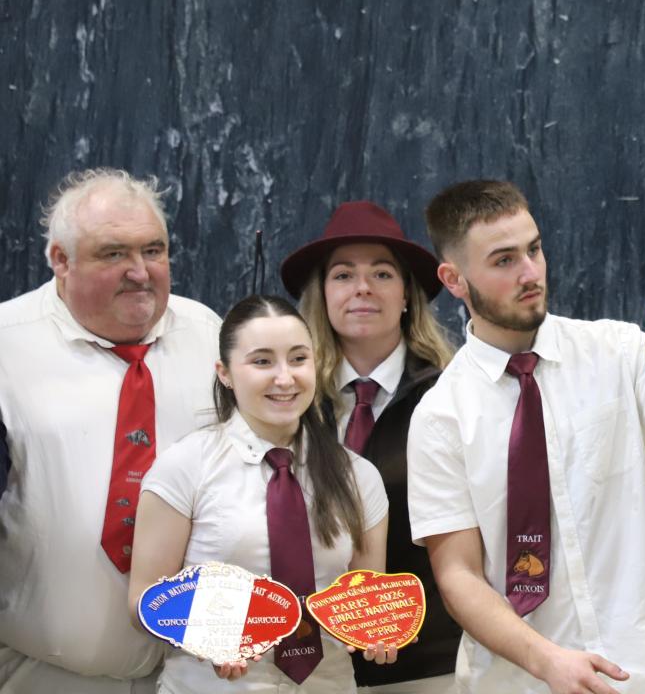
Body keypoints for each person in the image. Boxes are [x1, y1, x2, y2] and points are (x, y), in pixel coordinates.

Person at [408, 180, 645, 694]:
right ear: (454, 279)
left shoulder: (615, 350)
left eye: (534, 249)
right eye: (504, 261)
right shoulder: (440, 416)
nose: (530, 273)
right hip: (518, 683)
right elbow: (458, 576)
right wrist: (548, 662)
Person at [0, 168, 221, 693]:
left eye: (153, 250)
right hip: (43, 674)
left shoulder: (211, 337)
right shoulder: (6, 346)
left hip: (193, 674)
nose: (140, 272)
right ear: (60, 259)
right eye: (113, 253)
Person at [128, 295, 397, 692]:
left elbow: (367, 595)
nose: (285, 378)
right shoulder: (184, 467)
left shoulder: (358, 477)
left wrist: (378, 633)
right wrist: (205, 638)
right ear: (225, 373)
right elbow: (142, 601)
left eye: (298, 358)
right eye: (262, 361)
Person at [280, 200, 463, 693]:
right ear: (322, 294)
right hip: (308, 667)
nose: (362, 288)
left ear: (407, 295)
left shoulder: (452, 396)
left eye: (382, 274)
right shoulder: (288, 404)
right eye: (343, 275)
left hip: (428, 664)